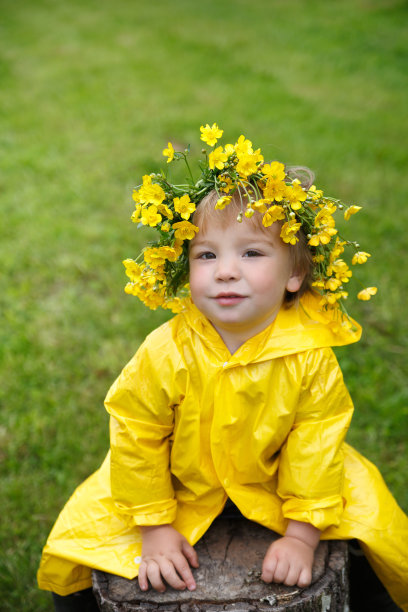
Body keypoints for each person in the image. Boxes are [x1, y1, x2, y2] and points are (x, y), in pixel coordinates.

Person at [38, 124, 408, 611]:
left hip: (275, 483)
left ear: (295, 274)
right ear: (185, 266)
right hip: (176, 485)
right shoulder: (165, 350)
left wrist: (301, 536)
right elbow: (136, 432)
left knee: (374, 529)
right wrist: (154, 527)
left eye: (251, 253)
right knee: (83, 548)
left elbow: (316, 441)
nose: (225, 270)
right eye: (206, 254)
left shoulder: (310, 355)